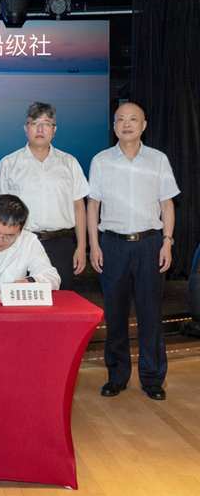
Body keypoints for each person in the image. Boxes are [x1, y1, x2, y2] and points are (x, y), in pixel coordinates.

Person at [88, 101, 179, 401]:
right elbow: (93, 206)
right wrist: (94, 245)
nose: (126, 124)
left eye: (133, 119)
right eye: (120, 119)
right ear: (114, 126)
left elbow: (167, 204)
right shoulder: (101, 160)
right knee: (115, 315)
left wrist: (167, 241)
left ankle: (152, 378)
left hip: (150, 244)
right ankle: (117, 376)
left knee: (150, 314)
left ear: (144, 125)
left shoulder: (158, 159)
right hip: (112, 245)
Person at [0, 102, 89, 290]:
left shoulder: (69, 163)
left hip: (61, 244)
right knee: (19, 297)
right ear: (26, 128)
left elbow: (79, 207)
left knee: (61, 299)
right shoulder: (9, 163)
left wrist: (82, 247)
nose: (40, 129)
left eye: (46, 124)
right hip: (20, 243)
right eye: (34, 123)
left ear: (54, 130)